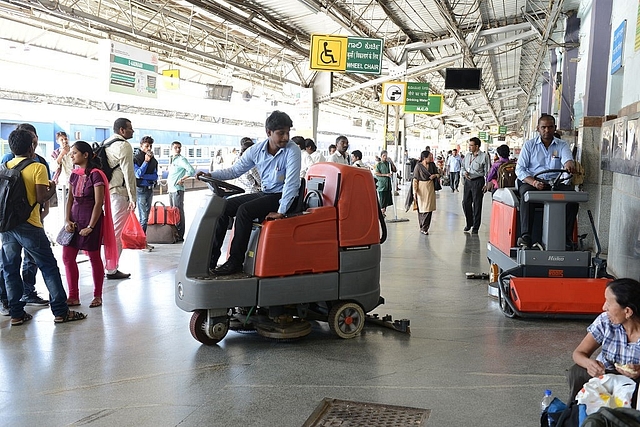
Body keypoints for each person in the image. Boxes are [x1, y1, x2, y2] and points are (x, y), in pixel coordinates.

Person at [196, 111, 301, 275]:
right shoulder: (256, 150)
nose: (286, 137)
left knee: (244, 211)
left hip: (284, 197)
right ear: (269, 132)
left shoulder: (292, 150)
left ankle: (235, 261)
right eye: (281, 133)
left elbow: (292, 183)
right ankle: (211, 260)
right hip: (267, 193)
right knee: (223, 207)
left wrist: (281, 211)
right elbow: (235, 170)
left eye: (288, 132)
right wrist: (211, 175)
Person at [0, 129, 86, 325]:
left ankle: (16, 314)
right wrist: (52, 188)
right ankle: (61, 311)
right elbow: (41, 197)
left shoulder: (4, 166)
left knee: (10, 268)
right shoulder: (37, 167)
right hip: (30, 225)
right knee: (48, 267)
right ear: (32, 146)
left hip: (7, 226)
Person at [0, 123, 51, 307]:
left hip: (33, 216)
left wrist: (45, 208)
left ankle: (27, 293)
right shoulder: (8, 159)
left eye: (32, 136)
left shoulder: (41, 162)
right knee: (10, 261)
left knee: (29, 260)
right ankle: (6, 298)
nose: (32, 141)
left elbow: (44, 187)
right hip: (12, 219)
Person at [62, 141, 117, 308]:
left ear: (85, 155)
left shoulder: (96, 175)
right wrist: (67, 220)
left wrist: (91, 227)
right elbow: (69, 199)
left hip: (91, 219)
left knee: (94, 257)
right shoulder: (74, 174)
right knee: (67, 257)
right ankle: (73, 296)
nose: (71, 155)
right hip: (74, 220)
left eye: (74, 153)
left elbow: (98, 203)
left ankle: (98, 295)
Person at [568, 278, 640, 403]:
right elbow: (579, 353)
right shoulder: (606, 321)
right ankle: (576, 410)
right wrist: (589, 364)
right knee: (577, 371)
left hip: (633, 383)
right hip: (604, 375)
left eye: (608, 303)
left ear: (627, 311)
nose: (603, 307)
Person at [515, 114, 577, 249]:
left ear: (555, 128)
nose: (547, 130)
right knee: (527, 196)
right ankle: (526, 236)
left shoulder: (562, 145)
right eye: (543, 127)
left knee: (572, 198)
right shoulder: (529, 145)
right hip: (532, 181)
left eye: (550, 127)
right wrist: (534, 183)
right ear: (538, 128)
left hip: (553, 182)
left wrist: (569, 164)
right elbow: (520, 170)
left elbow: (567, 159)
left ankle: (565, 237)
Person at [103, 118, 137, 280]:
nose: (133, 131)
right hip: (118, 194)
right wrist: (133, 197)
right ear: (122, 130)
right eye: (130, 128)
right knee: (116, 233)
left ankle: (108, 265)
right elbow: (129, 174)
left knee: (110, 230)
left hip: (105, 193)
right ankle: (111, 268)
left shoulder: (107, 143)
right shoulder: (124, 146)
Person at [166, 141, 195, 241]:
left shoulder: (181, 159)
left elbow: (191, 170)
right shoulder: (172, 160)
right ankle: (175, 233)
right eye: (176, 148)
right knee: (173, 211)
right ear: (171, 149)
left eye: (179, 148)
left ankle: (180, 234)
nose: (178, 149)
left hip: (177, 189)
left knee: (178, 211)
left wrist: (182, 179)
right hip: (171, 189)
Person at [461, 137, 490, 234]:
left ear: (477, 146)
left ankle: (476, 227)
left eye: (471, 145)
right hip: (468, 181)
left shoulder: (484, 156)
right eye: (469, 145)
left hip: (478, 182)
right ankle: (469, 222)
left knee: (477, 204)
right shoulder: (467, 156)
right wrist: (464, 172)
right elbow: (463, 167)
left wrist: (486, 184)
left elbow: (488, 171)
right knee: (465, 202)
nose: (469, 147)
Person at [133, 135, 158, 234]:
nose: (149, 148)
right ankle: (141, 240)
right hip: (141, 189)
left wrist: (145, 176)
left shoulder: (154, 160)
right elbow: (138, 174)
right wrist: (146, 162)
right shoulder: (136, 158)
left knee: (146, 216)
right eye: (147, 146)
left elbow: (155, 176)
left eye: (150, 146)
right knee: (143, 217)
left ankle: (142, 238)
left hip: (150, 188)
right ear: (141, 146)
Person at [412, 150, 439, 235]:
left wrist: (435, 175)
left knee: (428, 209)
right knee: (421, 209)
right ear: (424, 158)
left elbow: (438, 174)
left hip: (430, 188)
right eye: (429, 156)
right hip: (421, 189)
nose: (431, 158)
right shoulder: (418, 167)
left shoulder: (432, 165)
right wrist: (414, 192)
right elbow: (415, 179)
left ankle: (425, 227)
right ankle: (422, 226)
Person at [51, 131, 74, 210]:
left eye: (66, 139)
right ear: (57, 141)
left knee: (73, 208)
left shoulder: (74, 151)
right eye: (61, 140)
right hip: (62, 185)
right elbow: (53, 168)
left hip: (74, 184)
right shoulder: (55, 153)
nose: (64, 141)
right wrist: (61, 154)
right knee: (63, 209)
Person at [374, 150, 395, 216]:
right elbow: (376, 173)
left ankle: (383, 212)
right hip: (382, 185)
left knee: (386, 200)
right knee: (382, 200)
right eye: (384, 156)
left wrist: (391, 162)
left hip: (388, 185)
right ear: (381, 156)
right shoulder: (379, 165)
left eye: (386, 155)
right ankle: (381, 212)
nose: (385, 157)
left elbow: (395, 170)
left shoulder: (388, 164)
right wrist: (386, 175)